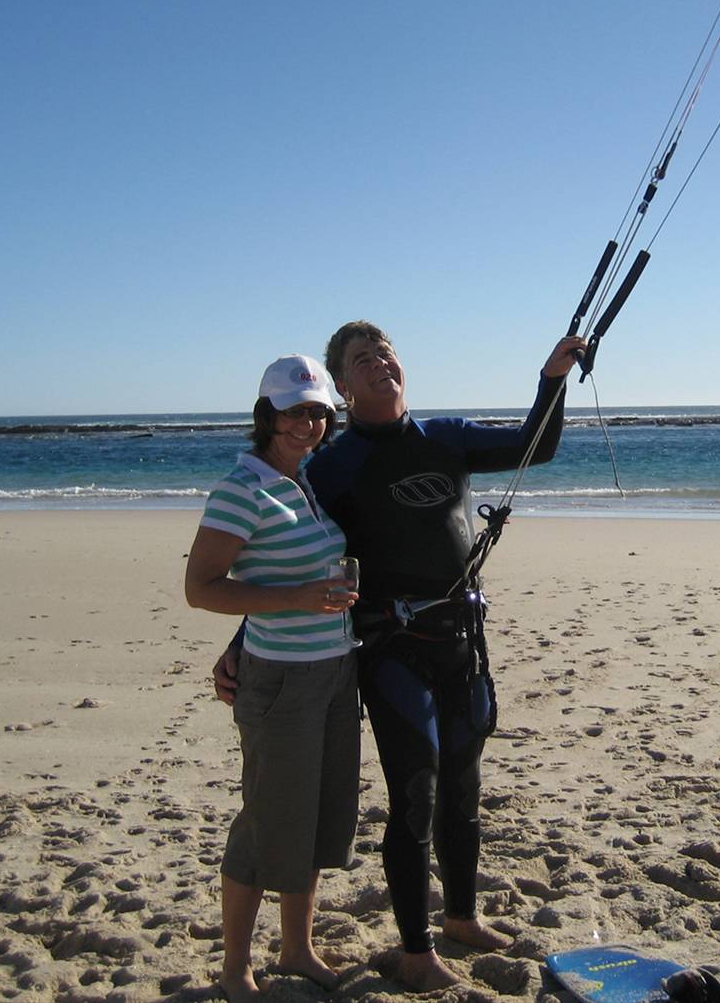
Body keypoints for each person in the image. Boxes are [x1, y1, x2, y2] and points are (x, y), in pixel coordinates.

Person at [214, 322, 585, 989]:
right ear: (343, 388)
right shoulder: (332, 466)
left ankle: (462, 917)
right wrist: (240, 640)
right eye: (362, 360)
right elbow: (299, 560)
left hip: (462, 640)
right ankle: (416, 951)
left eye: (384, 352)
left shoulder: (449, 435)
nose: (379, 362)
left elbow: (537, 444)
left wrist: (551, 380)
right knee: (415, 792)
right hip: (392, 648)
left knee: (464, 788)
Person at [185, 353, 361, 1002]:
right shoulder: (243, 489)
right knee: (265, 824)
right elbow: (201, 588)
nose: (307, 424)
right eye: (294, 412)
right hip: (281, 679)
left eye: (318, 412)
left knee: (312, 818)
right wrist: (296, 599)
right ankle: (235, 968)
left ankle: (296, 947)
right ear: (266, 415)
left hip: (335, 670)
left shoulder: (302, 478)